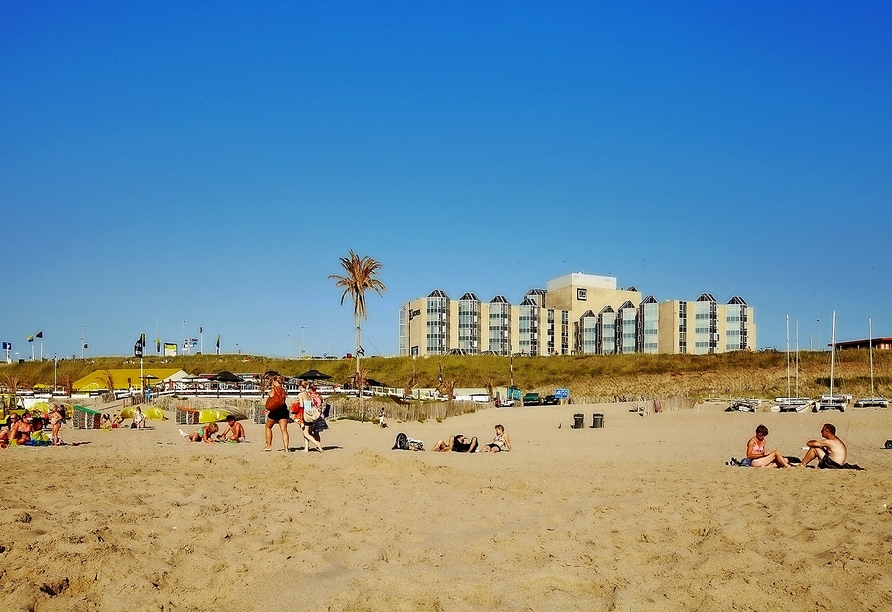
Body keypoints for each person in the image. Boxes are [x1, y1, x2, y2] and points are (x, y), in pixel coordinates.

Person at [262, 375, 290, 452]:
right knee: (284, 430)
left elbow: (271, 395)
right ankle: (286, 448)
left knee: (268, 427)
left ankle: (269, 445)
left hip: (275, 411)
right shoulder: (283, 390)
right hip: (283, 411)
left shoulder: (274, 389)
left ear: (275, 381)